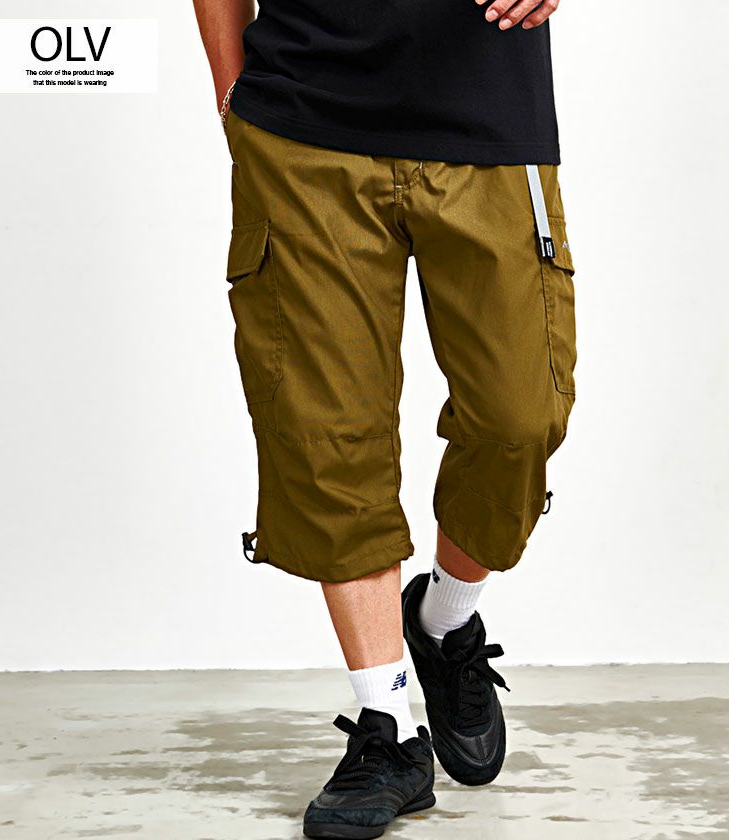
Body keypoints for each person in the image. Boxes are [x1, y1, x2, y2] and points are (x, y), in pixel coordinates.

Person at [192, 1, 576, 836]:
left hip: (487, 111)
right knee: (325, 435)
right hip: (302, 125)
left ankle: (444, 619)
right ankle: (389, 725)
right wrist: (231, 97)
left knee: (520, 416)